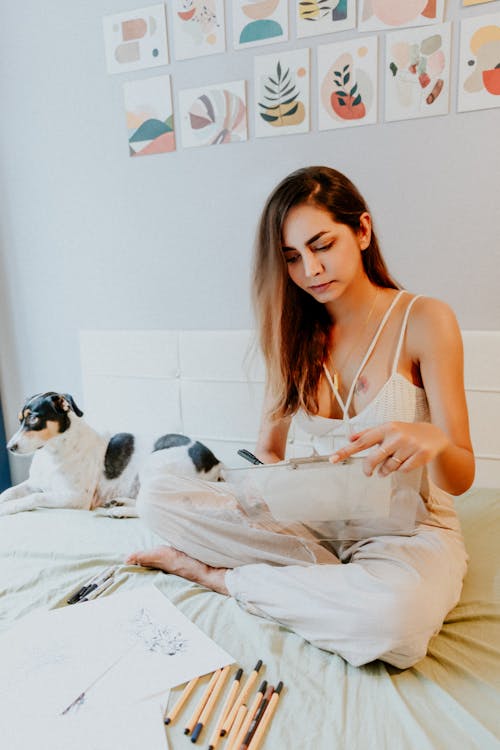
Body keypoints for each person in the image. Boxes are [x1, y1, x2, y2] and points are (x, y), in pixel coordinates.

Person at [126, 166, 474, 668]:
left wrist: (434, 440)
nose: (311, 269)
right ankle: (325, 581)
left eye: (322, 244)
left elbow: (461, 477)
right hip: (318, 525)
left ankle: (217, 577)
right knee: (158, 497)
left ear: (362, 231)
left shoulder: (425, 320)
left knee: (396, 618)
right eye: (292, 257)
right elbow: (266, 449)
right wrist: (273, 492)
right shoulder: (293, 333)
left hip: (408, 533)